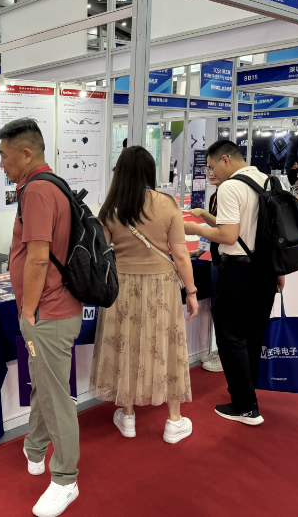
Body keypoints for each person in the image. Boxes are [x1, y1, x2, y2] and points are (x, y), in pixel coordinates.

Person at [0, 118, 82, 517]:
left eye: (4, 155)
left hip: (48, 311)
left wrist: (28, 311)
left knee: (54, 395)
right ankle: (35, 448)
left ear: (26, 154)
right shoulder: (48, 185)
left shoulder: (37, 191)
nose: (1, 163)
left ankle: (65, 479)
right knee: (44, 385)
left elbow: (37, 258)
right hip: (52, 308)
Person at [90, 146, 199, 445]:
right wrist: (191, 291)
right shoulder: (167, 204)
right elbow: (180, 254)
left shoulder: (110, 208)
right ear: (150, 171)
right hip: (162, 285)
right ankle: (174, 421)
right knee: (168, 345)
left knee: (126, 345)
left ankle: (127, 416)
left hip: (122, 286)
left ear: (120, 173)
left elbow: (101, 253)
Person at [183, 140, 283, 426]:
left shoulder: (230, 187)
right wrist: (280, 271)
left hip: (238, 270)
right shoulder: (268, 181)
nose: (212, 172)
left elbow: (228, 236)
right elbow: (270, 232)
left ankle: (244, 405)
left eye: (212, 166)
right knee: (253, 335)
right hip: (267, 270)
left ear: (225, 159)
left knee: (230, 337)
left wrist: (195, 228)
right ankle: (249, 396)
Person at [189, 169, 223, 373]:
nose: (211, 173)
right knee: (216, 308)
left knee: (224, 309)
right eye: (208, 169)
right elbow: (212, 230)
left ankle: (225, 355)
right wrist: (201, 251)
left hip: (231, 261)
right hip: (217, 260)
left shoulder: (230, 194)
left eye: (214, 168)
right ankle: (221, 350)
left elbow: (223, 228)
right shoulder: (215, 196)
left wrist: (202, 214)